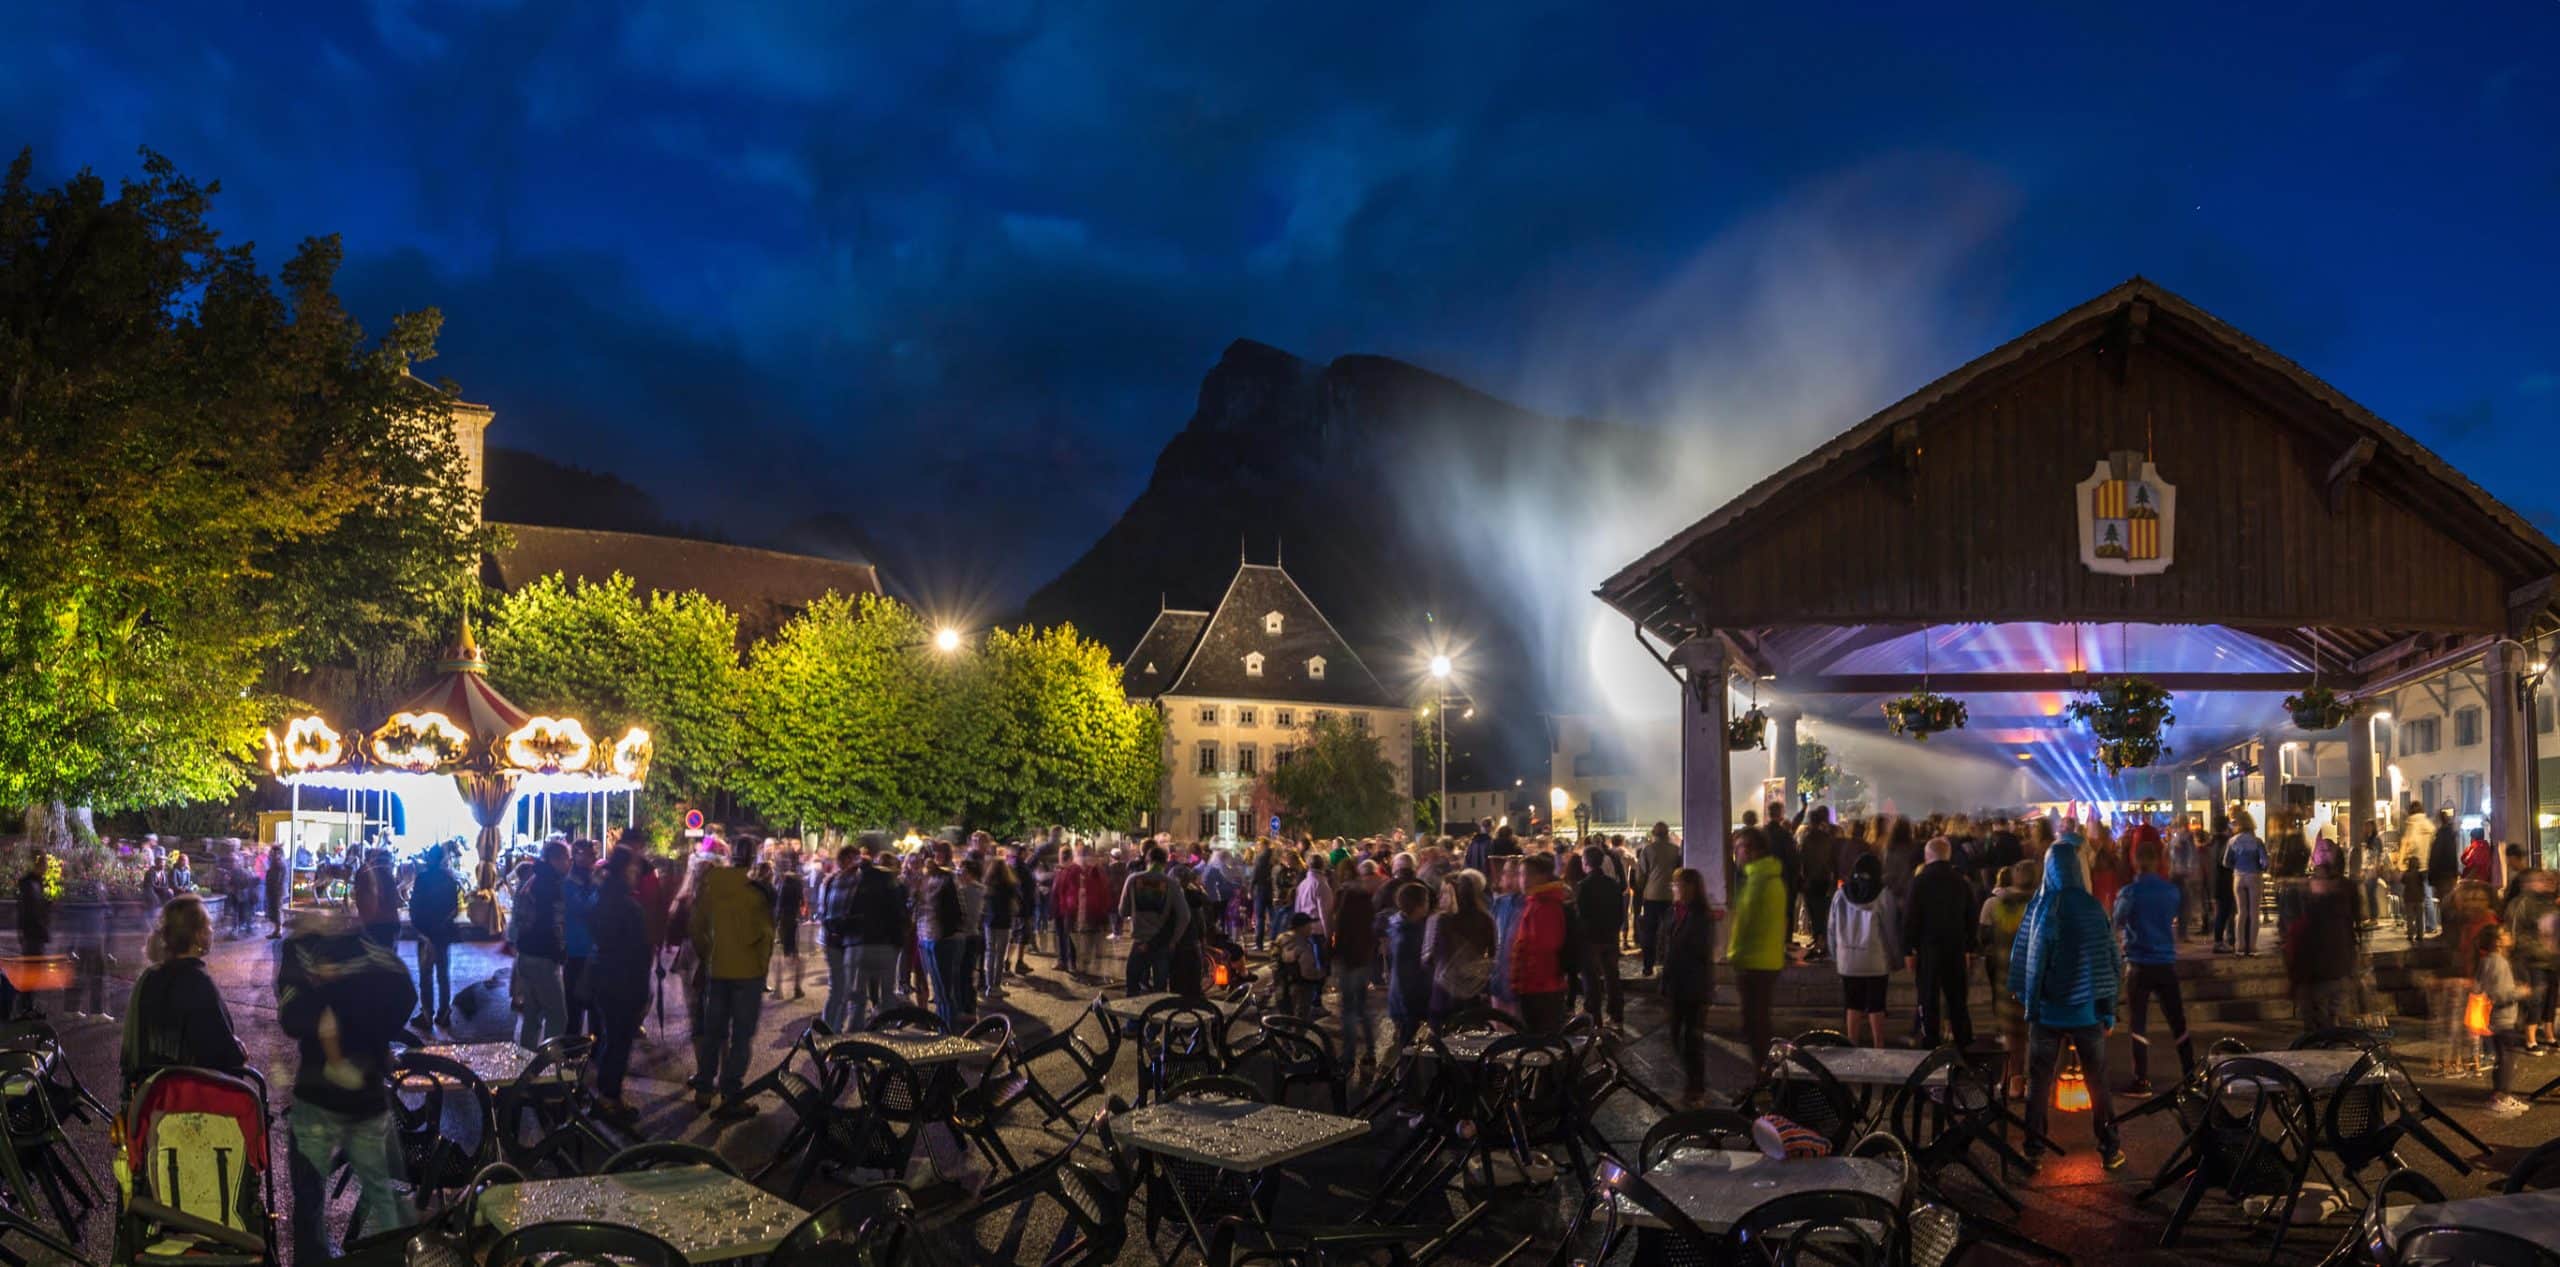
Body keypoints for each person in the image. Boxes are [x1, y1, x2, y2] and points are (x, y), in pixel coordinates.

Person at [279, 903, 418, 1266]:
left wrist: (329, 1015)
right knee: (382, 1191)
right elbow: (405, 992)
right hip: (366, 1092)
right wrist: (374, 1040)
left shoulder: (300, 951)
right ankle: (393, 1258)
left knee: (310, 1199)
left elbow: (291, 1017)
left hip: (317, 1092)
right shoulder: (367, 948)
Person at [2011, 836, 2127, 1170]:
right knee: (2098, 1082)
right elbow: (2110, 961)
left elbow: (2034, 962)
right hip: (2087, 1011)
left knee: (2039, 1083)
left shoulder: (2044, 906)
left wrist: (2031, 1006)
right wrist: (2108, 1011)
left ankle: (2033, 1150)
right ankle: (2110, 1149)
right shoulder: (2093, 908)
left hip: (2048, 1013)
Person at [688, 840, 775, 1116]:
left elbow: (696, 928)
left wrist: (709, 955)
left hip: (718, 969)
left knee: (713, 1032)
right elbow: (766, 937)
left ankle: (704, 1088)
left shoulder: (711, 888)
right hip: (748, 973)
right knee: (740, 1036)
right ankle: (731, 1094)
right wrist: (761, 968)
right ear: (751, 861)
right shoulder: (756, 894)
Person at [121, 895, 247, 1082]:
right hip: (187, 1097)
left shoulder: (148, 977)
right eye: (208, 926)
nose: (212, 930)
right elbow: (221, 1055)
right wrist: (237, 1050)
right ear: (198, 935)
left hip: (148, 1094)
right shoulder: (198, 983)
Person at [2113, 835, 2191, 1094]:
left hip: (2139, 962)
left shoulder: (2130, 892)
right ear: (2158, 862)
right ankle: (2190, 1073)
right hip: (2165, 961)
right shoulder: (2170, 891)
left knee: (2138, 1022)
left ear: (2136, 862)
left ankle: (2141, 1078)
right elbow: (2177, 915)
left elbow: (2118, 920)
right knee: (2177, 1019)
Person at [588, 846, 653, 1123]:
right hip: (623, 983)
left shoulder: (602, 897)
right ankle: (609, 1099)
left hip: (605, 978)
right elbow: (638, 953)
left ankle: (606, 1094)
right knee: (618, 1043)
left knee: (610, 1039)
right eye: (634, 869)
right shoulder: (627, 906)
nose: (637, 874)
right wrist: (642, 992)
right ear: (624, 870)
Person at [1903, 836, 1977, 1049]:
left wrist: (1908, 949)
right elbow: (1971, 917)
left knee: (1928, 996)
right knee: (1957, 999)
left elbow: (1910, 918)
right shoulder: (1961, 882)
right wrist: (1970, 947)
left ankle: (1931, 1042)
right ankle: (1964, 1042)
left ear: (1928, 856)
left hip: (1929, 948)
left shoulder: (1920, 882)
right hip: (1955, 947)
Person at [1727, 826, 1789, 1063]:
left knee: (1755, 1025)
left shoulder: (1759, 881)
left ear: (1751, 850)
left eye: (1738, 849)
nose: (1736, 855)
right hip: (1766, 959)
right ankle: (1763, 1076)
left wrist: (1734, 955)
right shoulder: (1769, 877)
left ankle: (1764, 1080)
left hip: (1755, 962)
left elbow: (1748, 925)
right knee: (1757, 1022)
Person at [2287, 847, 2363, 1038]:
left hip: (2322, 972)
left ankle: (2325, 1041)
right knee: (2330, 1014)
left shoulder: (2315, 911)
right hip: (2335, 968)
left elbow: (2301, 943)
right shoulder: (2341, 900)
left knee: (2321, 1017)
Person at [1979, 860, 2038, 1099]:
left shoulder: (2000, 905)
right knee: (2037, 1033)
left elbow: (1988, 937)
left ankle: (2013, 1080)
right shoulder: (2040, 906)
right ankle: (2034, 1081)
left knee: (2013, 1036)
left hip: (2008, 978)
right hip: (2034, 979)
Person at [1828, 854, 1897, 1048]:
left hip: (1848, 959)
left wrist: (1836, 955)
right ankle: (1879, 1044)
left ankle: (1852, 1043)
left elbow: (1831, 929)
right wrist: (1896, 957)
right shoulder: (1883, 895)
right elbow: (1890, 929)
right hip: (1876, 958)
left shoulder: (1841, 894)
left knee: (1853, 1002)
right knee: (1876, 1003)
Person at [1661, 868, 1716, 1107]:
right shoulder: (1675, 912)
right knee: (1676, 1035)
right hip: (1676, 983)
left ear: (1689, 888)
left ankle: (1696, 1090)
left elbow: (1697, 950)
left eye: (1677, 884)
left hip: (1692, 984)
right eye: (1673, 884)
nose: (1673, 888)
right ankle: (1693, 1087)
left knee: (1691, 1039)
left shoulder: (1700, 915)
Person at [512, 840, 571, 1049]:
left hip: (526, 954)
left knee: (532, 1015)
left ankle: (525, 1064)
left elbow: (519, 918)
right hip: (543, 957)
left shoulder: (532, 879)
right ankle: (547, 1066)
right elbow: (556, 923)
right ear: (555, 860)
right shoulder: (552, 885)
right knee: (558, 1017)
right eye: (566, 858)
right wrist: (560, 950)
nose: (569, 863)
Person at [1511, 853, 1571, 1034]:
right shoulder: (1535, 901)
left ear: (1541, 876)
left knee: (1543, 1041)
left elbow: (1546, 947)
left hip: (1541, 987)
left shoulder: (1544, 905)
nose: (1521, 879)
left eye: (1525, 874)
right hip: (1535, 984)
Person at [2476, 923, 2532, 1116]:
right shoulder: (2499, 962)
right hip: (2503, 1018)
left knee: (2503, 1057)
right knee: (2507, 1058)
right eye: (2505, 933)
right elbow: (2499, 994)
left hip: (2493, 1018)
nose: (2509, 935)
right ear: (2498, 942)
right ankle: (2501, 1097)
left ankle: (2499, 1094)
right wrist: (2520, 991)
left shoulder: (2487, 961)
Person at [1425, 871, 1497, 1020]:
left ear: (1453, 895)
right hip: (1473, 988)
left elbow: (1428, 958)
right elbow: (1492, 953)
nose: (1440, 897)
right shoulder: (1485, 918)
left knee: (1441, 1034)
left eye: (1444, 892)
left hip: (1443, 990)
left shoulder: (1441, 920)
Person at [1120, 847, 1191, 995]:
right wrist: (1174, 940)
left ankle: (1134, 1017)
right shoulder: (1171, 884)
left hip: (1139, 941)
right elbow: (1185, 916)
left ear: (1147, 860)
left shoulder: (1133, 880)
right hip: (1162, 943)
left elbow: (1122, 911)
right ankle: (1157, 1016)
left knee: (1132, 987)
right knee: (1160, 990)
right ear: (1165, 862)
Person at [1330, 859, 1379, 1072]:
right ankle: (1370, 1050)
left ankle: (1348, 1055)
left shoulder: (1344, 896)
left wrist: (1332, 954)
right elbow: (1372, 928)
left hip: (1348, 959)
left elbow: (1339, 929)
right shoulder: (1366, 896)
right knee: (1363, 1007)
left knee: (1348, 1010)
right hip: (1364, 957)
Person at [2505, 867, 2559, 1055]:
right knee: (2536, 998)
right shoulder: (2521, 903)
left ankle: (2549, 1034)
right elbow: (2513, 931)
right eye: (2540, 880)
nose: (2545, 883)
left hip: (2551, 957)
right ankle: (2531, 1039)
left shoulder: (2548, 902)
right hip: (2532, 958)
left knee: (2551, 997)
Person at [409, 842, 462, 1031]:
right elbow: (454, 908)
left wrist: (421, 929)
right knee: (443, 974)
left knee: (426, 975)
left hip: (425, 934)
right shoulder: (450, 880)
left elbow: (414, 907)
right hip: (442, 934)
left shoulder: (422, 879)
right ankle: (443, 1012)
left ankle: (426, 1014)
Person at [1572, 845, 1626, 1027]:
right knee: (1612, 976)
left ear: (1585, 863)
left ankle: (1595, 1018)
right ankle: (1616, 1014)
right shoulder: (1613, 884)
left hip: (1591, 938)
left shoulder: (1583, 886)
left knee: (1591, 978)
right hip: (1610, 936)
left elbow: (1580, 915)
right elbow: (1620, 913)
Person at [1631, 822, 1681, 976]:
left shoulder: (1648, 850)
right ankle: (1669, 964)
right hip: (1670, 896)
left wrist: (1641, 888)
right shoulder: (1675, 850)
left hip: (1651, 896)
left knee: (1649, 932)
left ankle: (1648, 966)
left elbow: (1640, 876)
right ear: (1667, 833)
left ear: (1653, 834)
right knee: (1670, 931)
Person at [1059, 844, 1114, 983]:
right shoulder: (1079, 871)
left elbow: (1066, 892)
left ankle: (1085, 970)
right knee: (1085, 945)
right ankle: (1084, 970)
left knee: (1086, 945)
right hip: (1083, 914)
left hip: (1087, 915)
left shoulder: (1092, 871)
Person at [1798, 809, 1838, 962]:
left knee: (1814, 913)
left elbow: (1802, 860)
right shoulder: (1827, 838)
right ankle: (1824, 942)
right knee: (1824, 911)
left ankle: (1817, 940)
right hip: (1824, 879)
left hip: (1811, 881)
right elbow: (1832, 860)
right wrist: (1834, 877)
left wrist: (1803, 879)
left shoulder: (1806, 839)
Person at [2226, 812, 2268, 956]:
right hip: (2254, 876)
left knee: (2241, 912)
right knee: (2254, 912)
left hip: (2238, 876)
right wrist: (2261, 867)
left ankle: (2240, 945)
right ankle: (2252, 946)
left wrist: (2237, 865)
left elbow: (2226, 861)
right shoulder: (2257, 841)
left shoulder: (2232, 841)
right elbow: (2265, 862)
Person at [981, 852, 1021, 1001]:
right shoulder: (1009, 885)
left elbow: (983, 905)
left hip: (989, 922)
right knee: (999, 955)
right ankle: (996, 986)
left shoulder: (988, 884)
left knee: (990, 953)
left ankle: (988, 985)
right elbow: (1015, 904)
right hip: (1004, 922)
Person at [769, 847, 807, 1001]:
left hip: (783, 920)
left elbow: (778, 903)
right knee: (793, 954)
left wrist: (775, 921)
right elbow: (802, 900)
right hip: (792, 919)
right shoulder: (797, 879)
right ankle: (797, 988)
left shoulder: (780, 880)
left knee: (780, 955)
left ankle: (779, 990)